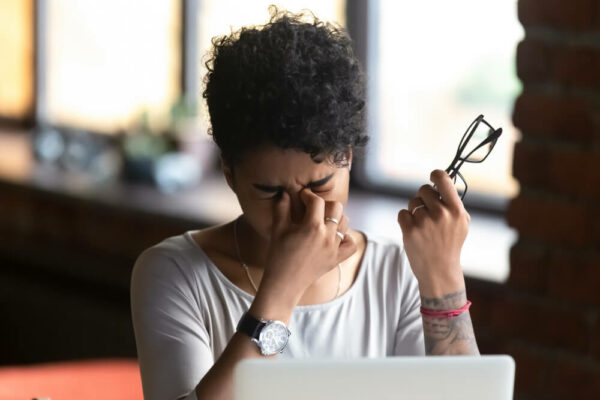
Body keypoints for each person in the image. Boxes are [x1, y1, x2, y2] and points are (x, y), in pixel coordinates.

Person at [131, 7, 479, 400]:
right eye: (270, 191)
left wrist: (444, 278)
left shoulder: (394, 273)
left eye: (320, 184)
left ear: (347, 157)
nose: (301, 211)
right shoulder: (175, 274)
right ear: (229, 174)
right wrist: (282, 288)